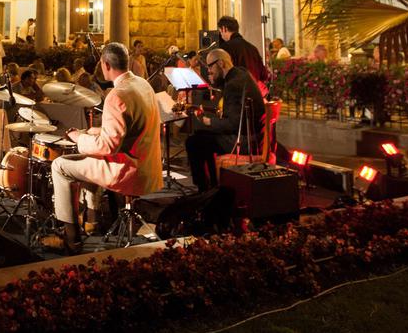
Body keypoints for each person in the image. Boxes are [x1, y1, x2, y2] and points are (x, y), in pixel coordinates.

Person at [44, 42, 162, 254]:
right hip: (148, 165)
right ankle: (93, 221)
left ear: (105, 65)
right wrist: (95, 131)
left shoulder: (117, 95)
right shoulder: (143, 84)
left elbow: (107, 146)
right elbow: (133, 129)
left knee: (60, 165)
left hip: (126, 170)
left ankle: (71, 239)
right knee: (89, 158)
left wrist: (79, 137)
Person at [184, 48, 266, 191]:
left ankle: (203, 189)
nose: (209, 71)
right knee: (201, 137)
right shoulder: (241, 74)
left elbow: (233, 124)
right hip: (254, 136)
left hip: (245, 141)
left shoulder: (233, 85)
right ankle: (212, 186)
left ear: (221, 63)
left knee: (193, 142)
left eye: (210, 67)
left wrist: (207, 121)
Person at [216, 15, 269, 86]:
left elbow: (222, 74)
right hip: (253, 92)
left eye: (220, 32)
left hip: (236, 92)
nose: (221, 35)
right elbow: (264, 75)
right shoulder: (252, 48)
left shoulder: (226, 48)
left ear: (224, 29)